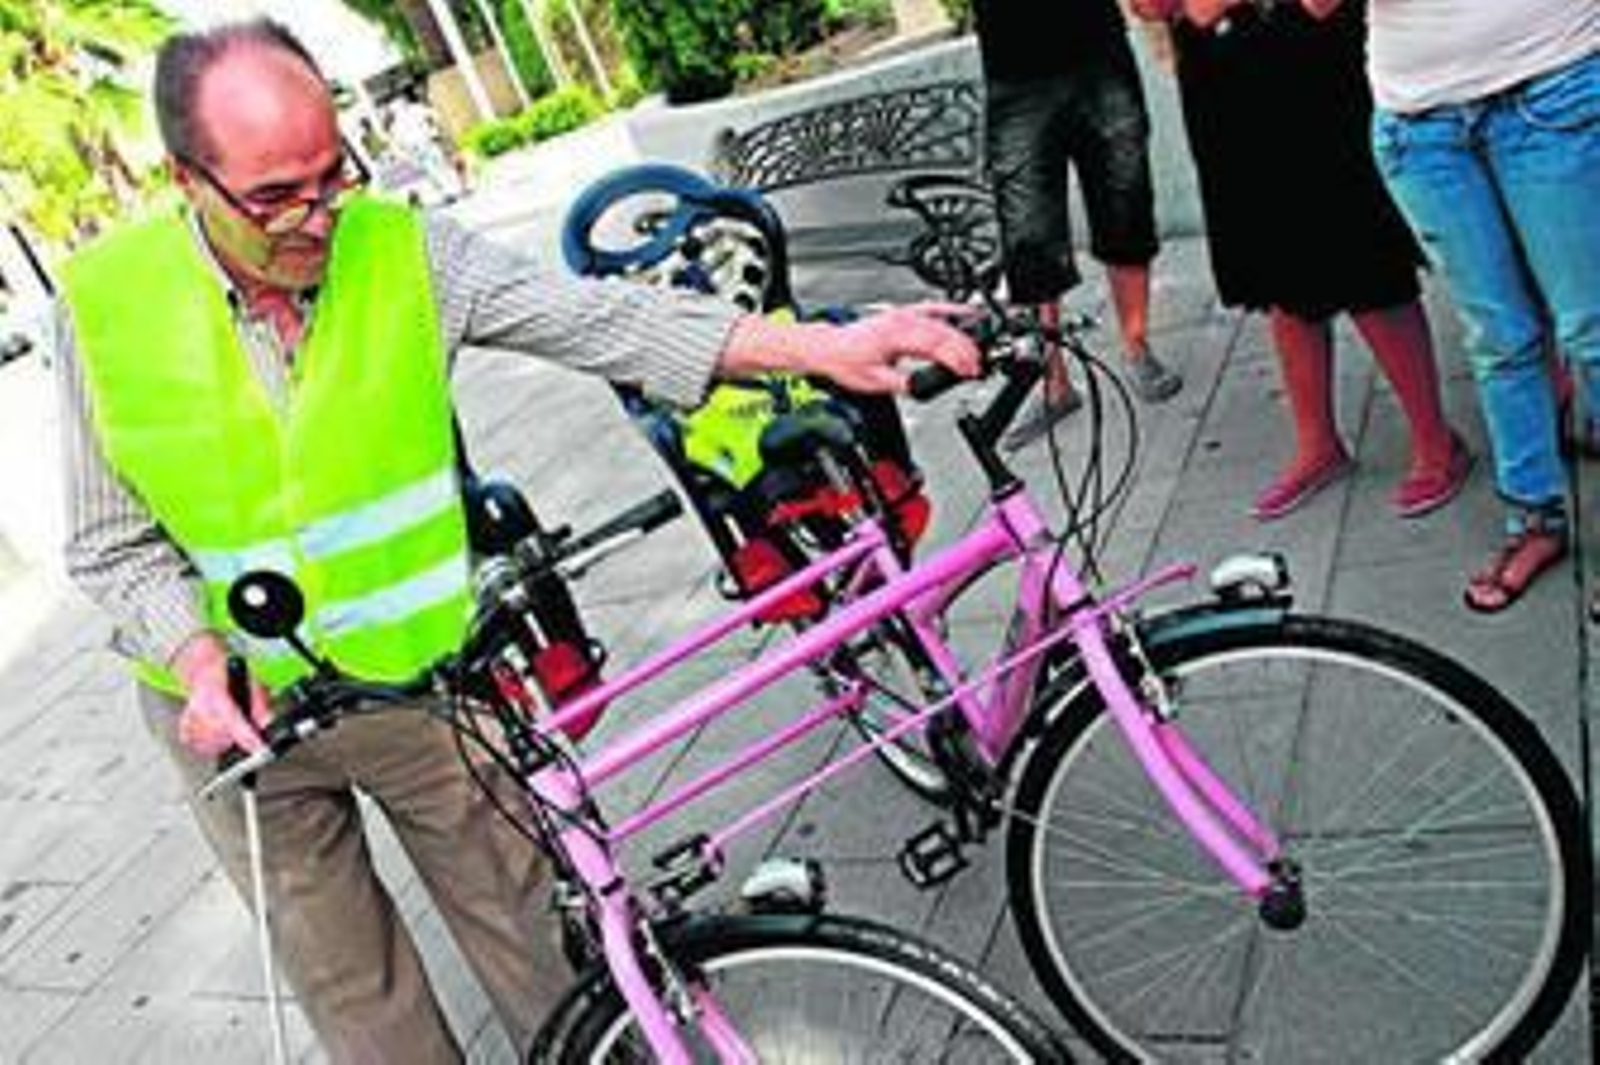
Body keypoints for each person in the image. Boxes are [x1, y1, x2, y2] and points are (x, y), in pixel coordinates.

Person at [54, 20, 977, 1062]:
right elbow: (109, 541)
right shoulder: (104, 308)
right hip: (239, 724)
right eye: (276, 198)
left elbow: (603, 320)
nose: (318, 219)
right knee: (358, 998)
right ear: (186, 179)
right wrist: (193, 652)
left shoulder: (400, 248)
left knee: (547, 953)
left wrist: (821, 345)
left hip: (426, 685)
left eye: (333, 175)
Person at [1129, 0, 1471, 522]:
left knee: (1361, 256)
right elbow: (1149, 8)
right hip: (1216, 72)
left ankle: (1436, 441)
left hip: (1308, 56)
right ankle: (1318, 444)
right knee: (1273, 267)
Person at [1362, 0, 1600, 612]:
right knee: (1496, 336)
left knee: (1590, 326)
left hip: (1550, 81)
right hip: (1418, 122)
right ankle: (1533, 519)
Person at [971, 0, 1184, 453]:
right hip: (1015, 77)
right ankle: (1054, 383)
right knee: (1027, 232)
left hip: (1099, 58)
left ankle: (1137, 346)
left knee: (1125, 203)